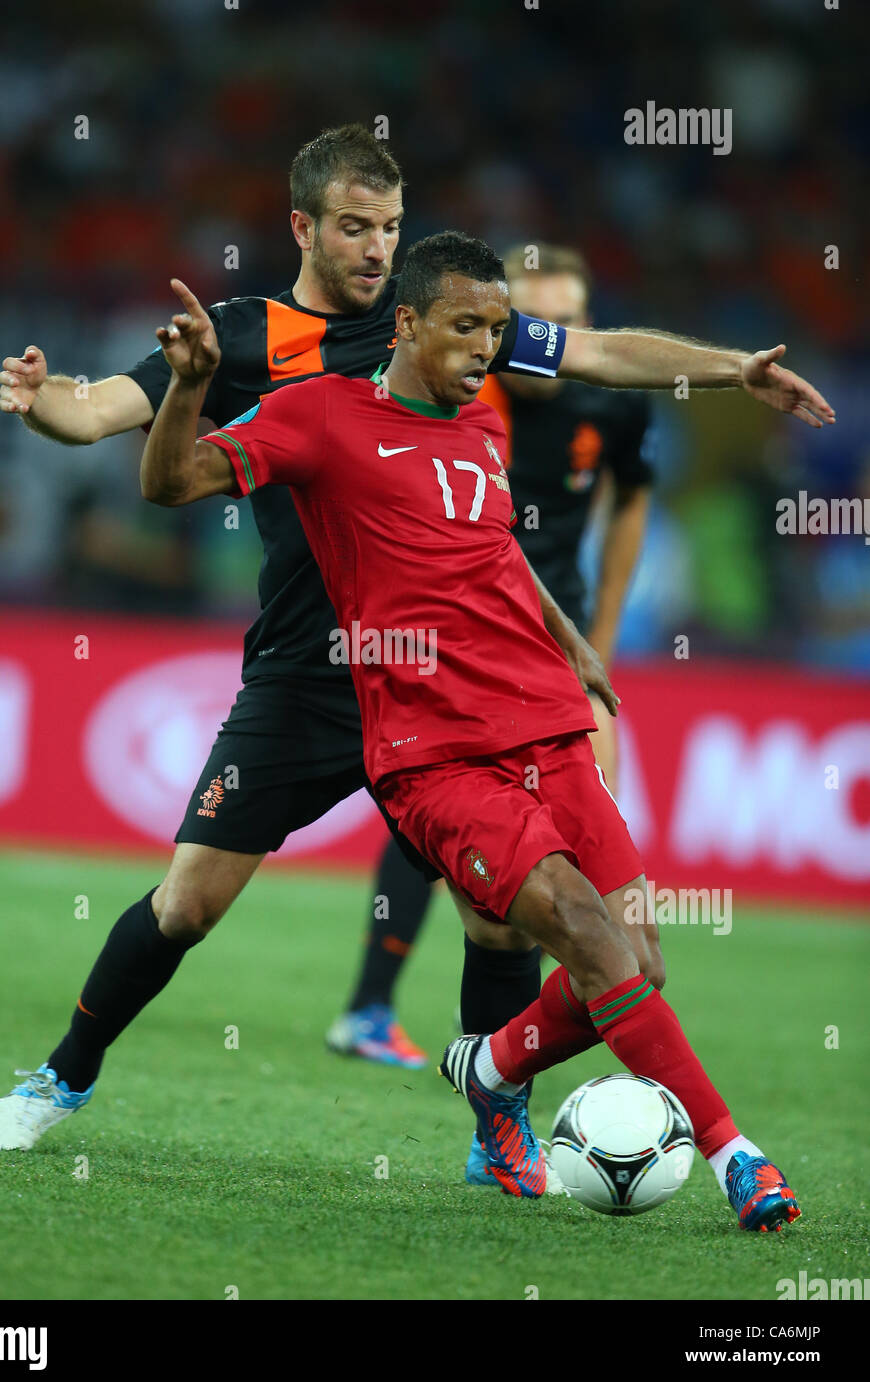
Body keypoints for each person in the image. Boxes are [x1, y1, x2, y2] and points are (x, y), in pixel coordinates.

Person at [134, 230, 831, 1231]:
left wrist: (729, 371)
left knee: (635, 967)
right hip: (433, 755)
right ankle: (738, 1158)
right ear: (408, 323)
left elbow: (512, 524)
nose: (485, 350)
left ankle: (492, 1064)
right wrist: (186, 387)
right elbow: (171, 482)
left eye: (498, 333)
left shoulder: (480, 430)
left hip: (546, 724)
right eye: (466, 328)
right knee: (584, 935)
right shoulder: (320, 415)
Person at [327, 243, 653, 1100]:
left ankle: (519, 1054)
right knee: (441, 830)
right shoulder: (467, 394)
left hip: (556, 645)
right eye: (521, 322)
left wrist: (600, 637)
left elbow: (631, 505)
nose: (542, 337)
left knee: (582, 881)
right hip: (458, 643)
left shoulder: (610, 415)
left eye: (564, 320)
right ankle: (376, 1004)